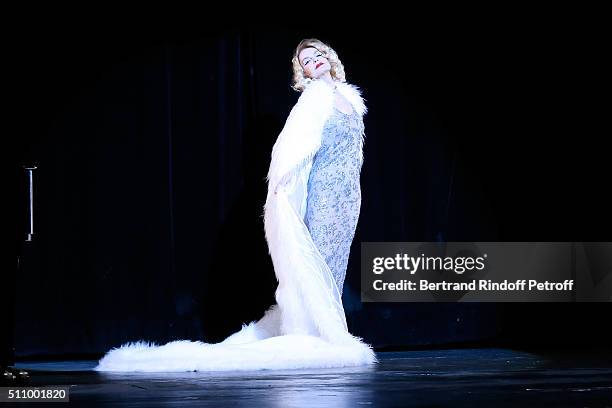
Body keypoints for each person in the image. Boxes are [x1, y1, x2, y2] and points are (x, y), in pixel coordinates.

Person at [94, 38, 377, 372]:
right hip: (323, 198)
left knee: (334, 266)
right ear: (301, 71)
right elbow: (288, 150)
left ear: (329, 58)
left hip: (347, 199)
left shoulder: (347, 98)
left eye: (316, 55)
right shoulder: (313, 100)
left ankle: (323, 333)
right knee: (319, 266)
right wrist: (283, 193)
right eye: (305, 60)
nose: (312, 61)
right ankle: (320, 335)